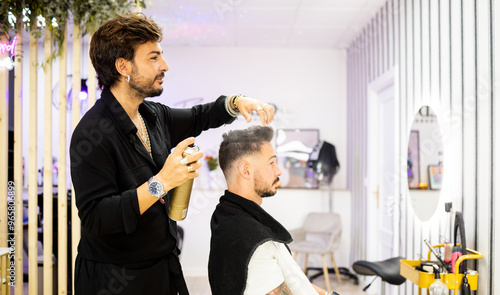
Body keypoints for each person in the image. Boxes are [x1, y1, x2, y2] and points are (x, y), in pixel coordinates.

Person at [70, 13, 274, 295]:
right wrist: (162, 182)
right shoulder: (92, 134)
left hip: (161, 265)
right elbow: (96, 219)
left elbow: (198, 116)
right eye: (153, 58)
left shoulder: (152, 115)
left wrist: (236, 103)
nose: (164, 65)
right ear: (123, 66)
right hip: (115, 278)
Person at [208, 126, 338, 295]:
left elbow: (292, 280)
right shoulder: (253, 242)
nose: (278, 171)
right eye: (271, 162)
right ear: (246, 170)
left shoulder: (226, 214)